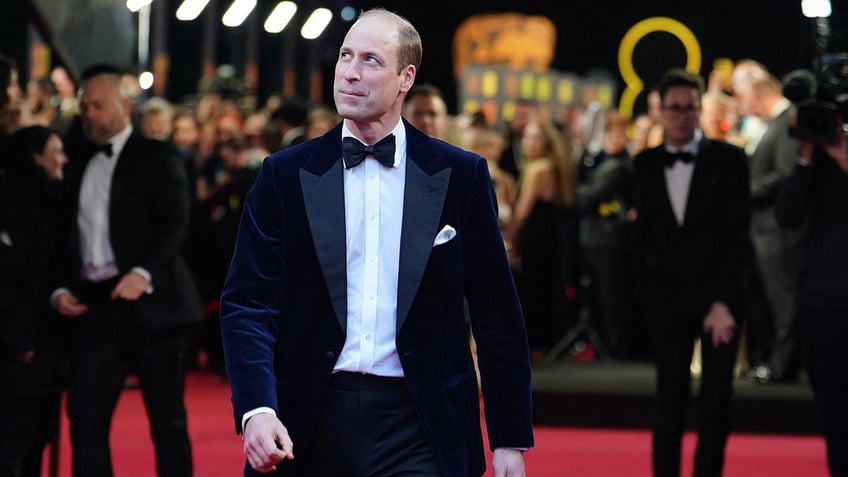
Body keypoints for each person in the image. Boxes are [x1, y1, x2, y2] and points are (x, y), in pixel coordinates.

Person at [219, 8, 533, 477]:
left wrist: (509, 437)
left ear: (406, 77)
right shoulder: (284, 175)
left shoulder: (460, 176)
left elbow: (495, 313)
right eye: (346, 55)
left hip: (421, 422)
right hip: (307, 415)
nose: (350, 71)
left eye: (370, 60)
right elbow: (248, 301)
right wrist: (256, 408)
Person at [52, 64, 205, 477]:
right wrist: (61, 287)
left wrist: (143, 272)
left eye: (97, 106)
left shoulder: (157, 154)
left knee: (167, 423)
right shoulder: (75, 158)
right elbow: (62, 232)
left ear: (124, 105)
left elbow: (175, 223)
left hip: (155, 308)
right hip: (97, 307)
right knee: (85, 416)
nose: (88, 114)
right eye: (83, 106)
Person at [632, 68, 750, 477]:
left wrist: (723, 302)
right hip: (667, 303)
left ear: (701, 109)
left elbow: (738, 238)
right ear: (661, 111)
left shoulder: (730, 161)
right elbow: (643, 239)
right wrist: (651, 301)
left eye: (690, 108)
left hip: (720, 301)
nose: (682, 116)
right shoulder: (644, 165)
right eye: (674, 108)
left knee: (716, 402)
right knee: (669, 403)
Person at [775, 117, 848, 477]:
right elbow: (786, 216)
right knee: (833, 413)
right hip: (821, 298)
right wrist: (805, 158)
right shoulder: (814, 163)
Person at [0, 125, 69, 477]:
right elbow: (13, 278)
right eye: (56, 150)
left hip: (40, 341)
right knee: (14, 439)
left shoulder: (49, 197)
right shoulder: (14, 202)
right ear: (35, 156)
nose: (64, 159)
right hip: (19, 343)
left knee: (35, 435)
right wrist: (17, 340)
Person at [734, 73, 803, 384]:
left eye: (747, 100)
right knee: (774, 300)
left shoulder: (786, 124)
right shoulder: (779, 125)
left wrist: (747, 188)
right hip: (767, 228)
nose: (746, 108)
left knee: (783, 300)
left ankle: (784, 366)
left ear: (761, 96)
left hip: (775, 229)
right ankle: (778, 362)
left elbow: (786, 173)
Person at [504, 118, 578, 363]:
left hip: (536, 242)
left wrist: (507, 239)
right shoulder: (554, 167)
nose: (528, 142)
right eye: (526, 136)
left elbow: (523, 212)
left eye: (535, 138)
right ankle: (540, 350)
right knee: (543, 294)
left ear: (546, 143)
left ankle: (533, 352)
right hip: (550, 241)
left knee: (532, 295)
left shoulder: (538, 169)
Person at [574, 108, 637, 360]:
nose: (612, 138)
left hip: (609, 243)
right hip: (597, 240)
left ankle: (614, 352)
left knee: (612, 301)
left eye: (617, 132)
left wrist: (574, 192)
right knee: (600, 300)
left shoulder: (619, 166)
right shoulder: (601, 162)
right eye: (608, 132)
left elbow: (587, 197)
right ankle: (605, 349)